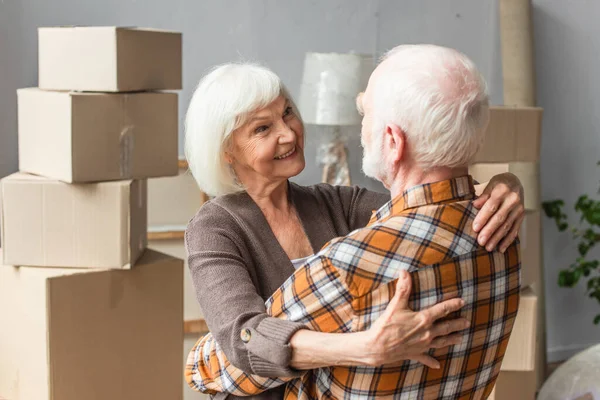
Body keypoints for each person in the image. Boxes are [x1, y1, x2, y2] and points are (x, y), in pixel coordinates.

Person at [184, 46, 525, 400]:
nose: (288, 133)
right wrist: (364, 347)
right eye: (263, 128)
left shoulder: (336, 202)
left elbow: (430, 212)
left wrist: (505, 185)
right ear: (227, 150)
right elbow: (244, 340)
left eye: (288, 113)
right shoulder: (214, 228)